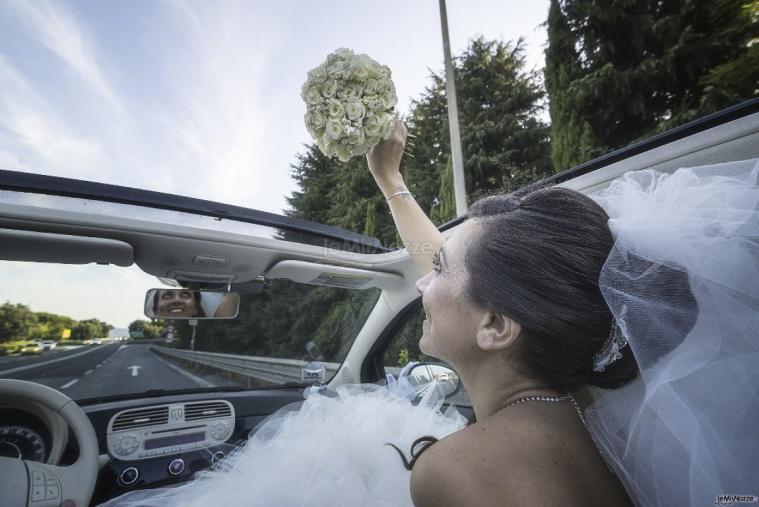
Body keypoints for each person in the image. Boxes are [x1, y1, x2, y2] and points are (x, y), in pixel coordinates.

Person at [106, 122, 758, 506]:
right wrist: (390, 181)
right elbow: (471, 273)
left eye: (439, 270)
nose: (421, 278)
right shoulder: (593, 417)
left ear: (497, 327)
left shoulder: (454, 470)